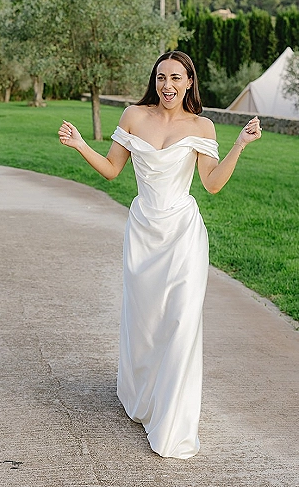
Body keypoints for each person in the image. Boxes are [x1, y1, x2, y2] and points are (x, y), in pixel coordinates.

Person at [58, 50, 261, 459]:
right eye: (161, 76)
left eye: (176, 78)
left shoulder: (201, 125)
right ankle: (143, 398)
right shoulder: (134, 116)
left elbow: (212, 183)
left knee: (183, 321)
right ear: (155, 79)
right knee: (146, 321)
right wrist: (81, 144)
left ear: (189, 82)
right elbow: (114, 170)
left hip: (183, 234)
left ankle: (173, 422)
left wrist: (239, 144)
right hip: (143, 232)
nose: (168, 85)